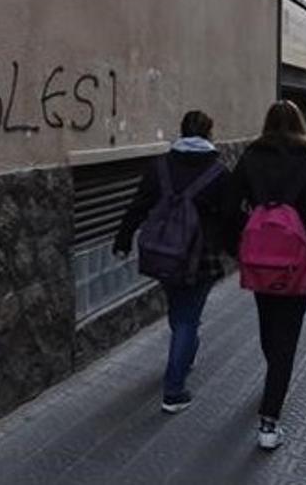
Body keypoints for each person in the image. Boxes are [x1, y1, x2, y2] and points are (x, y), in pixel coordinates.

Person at [229, 100, 306, 450]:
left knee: (268, 323)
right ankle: (269, 420)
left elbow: (227, 204)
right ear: (300, 123)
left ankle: (273, 380)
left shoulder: (250, 157)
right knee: (288, 334)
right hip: (299, 261)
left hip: (260, 259)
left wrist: (248, 235)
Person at [113, 110, 230, 414]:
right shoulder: (218, 172)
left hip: (164, 253)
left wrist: (123, 239)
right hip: (201, 256)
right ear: (209, 133)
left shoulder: (160, 167)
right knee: (188, 318)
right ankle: (174, 390)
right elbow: (230, 217)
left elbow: (138, 205)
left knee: (180, 312)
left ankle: (185, 354)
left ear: (181, 131)